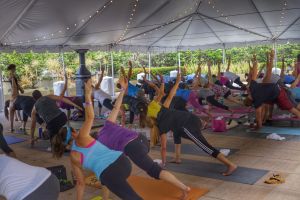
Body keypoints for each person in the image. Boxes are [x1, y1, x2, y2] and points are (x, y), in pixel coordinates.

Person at [54, 77, 190, 199]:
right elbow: (116, 107)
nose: (79, 131)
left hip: (130, 149)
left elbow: (87, 180)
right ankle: (184, 187)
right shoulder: (106, 126)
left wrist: (89, 95)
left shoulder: (80, 151)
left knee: (151, 172)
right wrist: (123, 90)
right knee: (116, 175)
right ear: (72, 134)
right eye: (76, 130)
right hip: (138, 143)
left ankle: (184, 188)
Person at [52, 78, 142, 200]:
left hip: (111, 173)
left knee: (127, 194)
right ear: (73, 134)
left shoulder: (73, 157)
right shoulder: (83, 137)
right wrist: (88, 96)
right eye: (75, 130)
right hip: (123, 162)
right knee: (105, 178)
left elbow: (80, 183)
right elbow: (90, 117)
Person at [145, 72, 237, 176]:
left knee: (205, 146)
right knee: (176, 132)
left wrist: (163, 162)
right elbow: (170, 94)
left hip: (188, 125)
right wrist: (178, 80)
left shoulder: (161, 126)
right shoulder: (163, 109)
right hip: (191, 119)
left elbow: (164, 147)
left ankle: (230, 165)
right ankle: (177, 158)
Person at [244, 52, 300, 129]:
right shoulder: (253, 86)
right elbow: (254, 72)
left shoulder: (257, 99)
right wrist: (255, 61)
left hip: (280, 93)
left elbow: (258, 114)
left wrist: (258, 126)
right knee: (267, 104)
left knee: (291, 109)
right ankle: (268, 117)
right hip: (276, 93)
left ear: (251, 103)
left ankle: (267, 118)